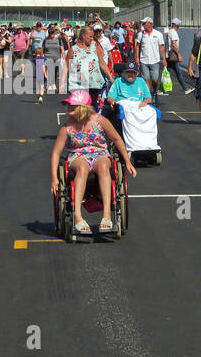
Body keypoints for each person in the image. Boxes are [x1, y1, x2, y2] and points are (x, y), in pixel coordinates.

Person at [50, 89, 136, 235]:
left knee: (103, 166)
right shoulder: (66, 128)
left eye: (72, 105)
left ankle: (107, 216)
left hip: (99, 153)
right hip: (77, 155)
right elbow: (56, 153)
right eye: (68, 105)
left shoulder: (99, 121)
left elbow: (116, 139)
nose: (68, 107)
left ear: (83, 108)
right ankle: (77, 216)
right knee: (82, 168)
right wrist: (54, 179)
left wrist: (127, 161)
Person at [67, 25, 109, 107]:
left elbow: (102, 62)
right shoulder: (73, 49)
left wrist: (110, 77)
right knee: (80, 108)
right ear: (83, 36)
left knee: (91, 108)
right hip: (79, 83)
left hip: (94, 83)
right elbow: (66, 66)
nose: (92, 38)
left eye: (93, 37)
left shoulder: (95, 47)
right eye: (90, 36)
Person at [136, 17, 166, 100]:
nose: (143, 25)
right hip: (144, 61)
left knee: (155, 80)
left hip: (155, 61)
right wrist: (137, 58)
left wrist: (164, 59)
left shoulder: (158, 34)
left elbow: (161, 47)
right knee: (146, 80)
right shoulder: (140, 34)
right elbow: (137, 46)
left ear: (150, 24)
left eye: (144, 23)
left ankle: (155, 92)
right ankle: (148, 97)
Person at [164, 17, 188, 96]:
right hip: (173, 55)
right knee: (177, 72)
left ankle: (163, 89)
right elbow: (174, 44)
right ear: (177, 25)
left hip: (169, 55)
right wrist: (179, 54)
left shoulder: (170, 32)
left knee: (171, 72)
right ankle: (185, 88)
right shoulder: (173, 32)